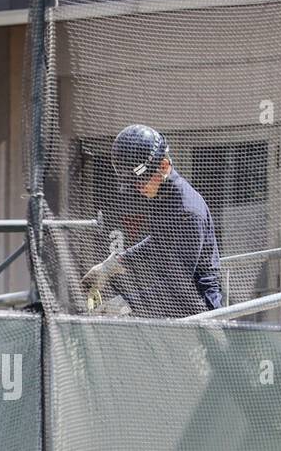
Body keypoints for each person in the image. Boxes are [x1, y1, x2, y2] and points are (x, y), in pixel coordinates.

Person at [83, 124, 224, 317]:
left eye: (141, 181)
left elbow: (180, 283)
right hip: (173, 303)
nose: (138, 189)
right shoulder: (161, 196)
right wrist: (114, 263)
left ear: (164, 166)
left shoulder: (188, 211)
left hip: (200, 310)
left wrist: (126, 303)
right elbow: (158, 242)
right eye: (133, 184)